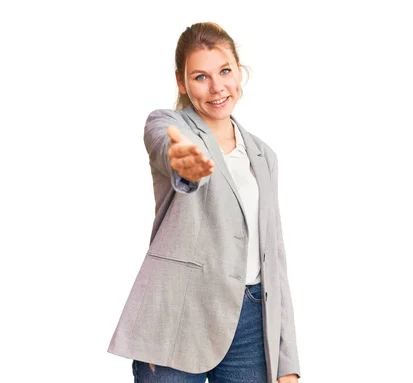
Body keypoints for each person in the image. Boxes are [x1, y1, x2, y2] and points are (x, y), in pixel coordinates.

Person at [107, 21, 301, 383]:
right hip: (176, 319)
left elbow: (274, 257)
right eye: (200, 76)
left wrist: (287, 360)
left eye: (224, 71)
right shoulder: (168, 125)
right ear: (181, 82)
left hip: (251, 325)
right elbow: (165, 146)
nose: (216, 87)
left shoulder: (264, 155)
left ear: (239, 72)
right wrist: (182, 161)